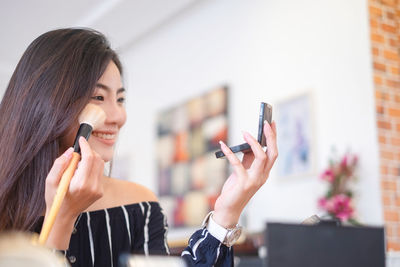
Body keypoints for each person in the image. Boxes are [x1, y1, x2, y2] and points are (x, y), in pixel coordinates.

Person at [0, 28, 278, 267]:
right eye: (98, 96)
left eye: (120, 100)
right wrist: (62, 218)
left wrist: (227, 211)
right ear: (46, 105)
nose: (118, 116)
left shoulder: (138, 206)